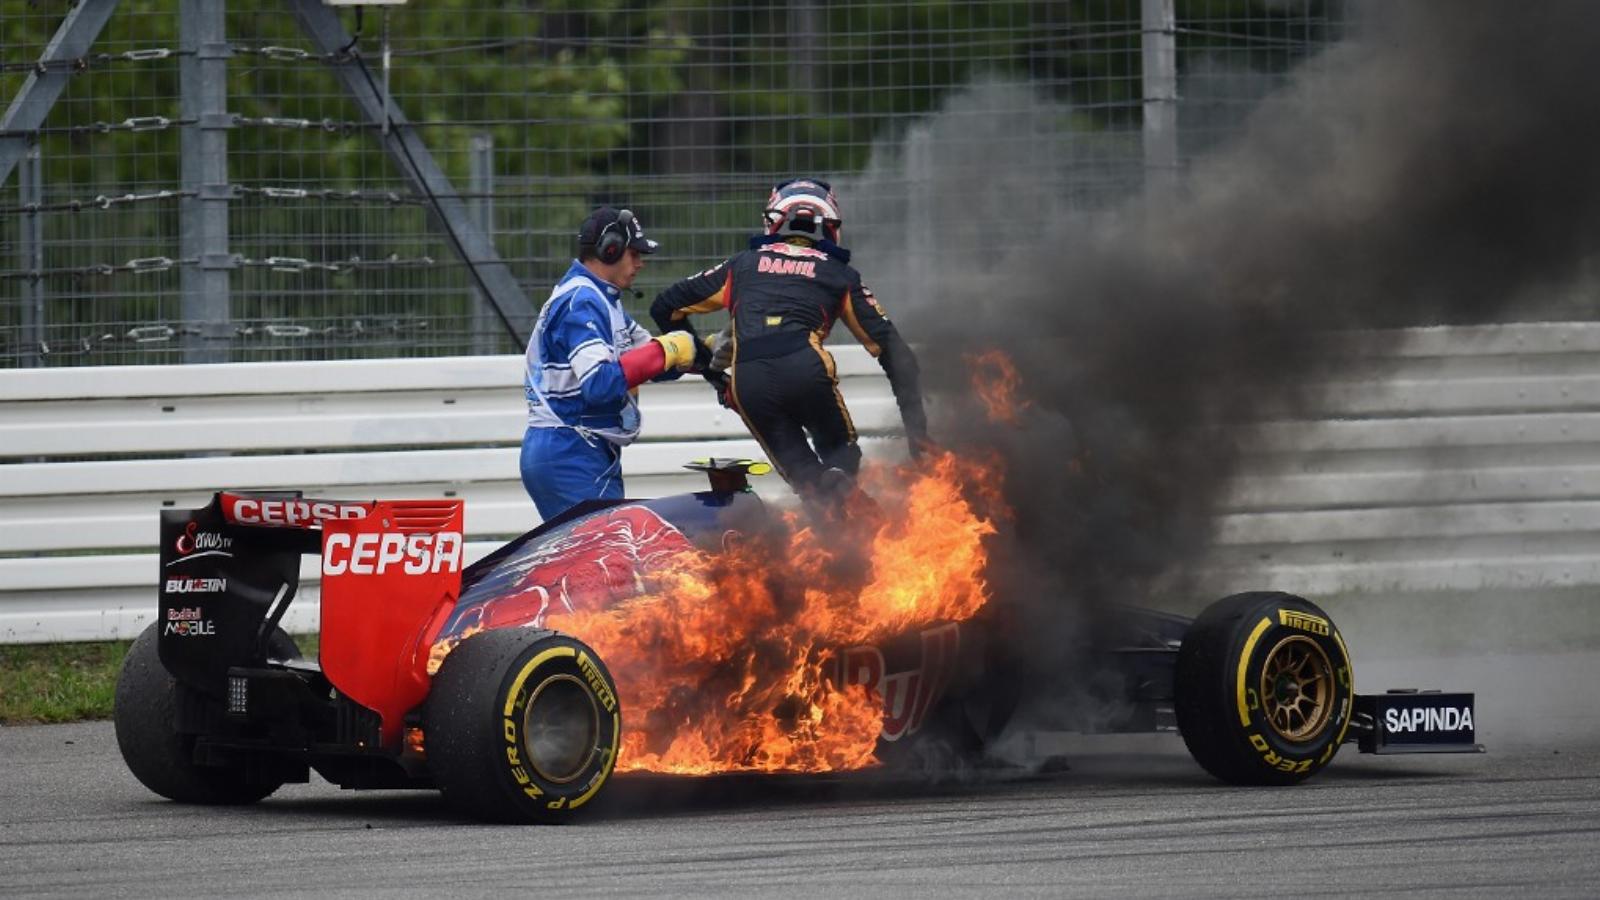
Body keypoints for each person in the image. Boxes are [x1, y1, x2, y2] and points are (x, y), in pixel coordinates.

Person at [650, 178, 929, 505]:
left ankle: (829, 542)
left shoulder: (741, 265)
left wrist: (710, 370)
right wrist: (919, 441)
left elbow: (664, 307)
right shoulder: (840, 275)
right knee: (842, 461)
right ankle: (857, 528)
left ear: (773, 219)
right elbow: (898, 356)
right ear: (830, 224)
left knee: (810, 485)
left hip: (749, 381)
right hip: (805, 369)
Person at [521, 206, 700, 520]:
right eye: (634, 254)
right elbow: (601, 384)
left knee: (592, 562)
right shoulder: (582, 300)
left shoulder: (604, 301)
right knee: (602, 565)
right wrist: (668, 349)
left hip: (579, 448)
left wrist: (707, 352)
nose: (641, 263)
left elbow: (650, 361)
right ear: (609, 250)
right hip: (570, 450)